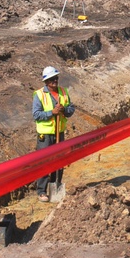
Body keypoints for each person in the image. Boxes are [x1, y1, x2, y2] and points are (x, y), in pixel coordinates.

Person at [32, 65, 75, 202]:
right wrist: (52, 113)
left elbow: (71, 109)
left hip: (59, 132)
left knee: (60, 160)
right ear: (45, 82)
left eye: (55, 78)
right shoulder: (39, 95)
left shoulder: (64, 92)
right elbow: (36, 114)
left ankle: (56, 184)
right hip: (45, 135)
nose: (54, 81)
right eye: (51, 79)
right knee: (44, 162)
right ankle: (41, 191)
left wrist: (63, 110)